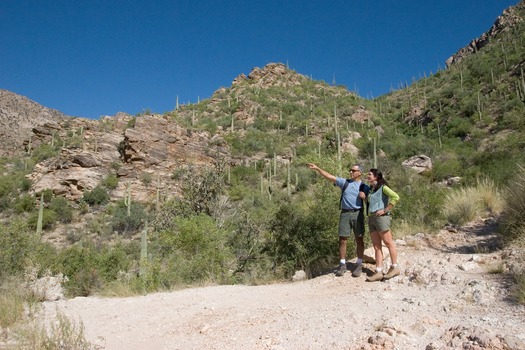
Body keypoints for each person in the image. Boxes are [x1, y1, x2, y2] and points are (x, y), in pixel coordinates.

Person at [308, 163, 369, 277]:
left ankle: (359, 264)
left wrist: (364, 198)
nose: (350, 172)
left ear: (360, 173)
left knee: (359, 239)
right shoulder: (345, 182)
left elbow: (369, 200)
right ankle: (342, 264)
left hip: (358, 213)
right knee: (342, 239)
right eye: (350, 170)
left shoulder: (364, 186)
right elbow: (330, 177)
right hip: (345, 213)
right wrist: (317, 168)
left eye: (353, 170)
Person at [365, 168, 401, 282]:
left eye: (370, 174)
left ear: (376, 176)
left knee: (388, 243)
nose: (368, 176)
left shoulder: (383, 188)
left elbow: (396, 197)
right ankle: (378, 271)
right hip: (371, 218)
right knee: (376, 246)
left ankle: (394, 267)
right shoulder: (371, 189)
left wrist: (385, 210)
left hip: (381, 218)